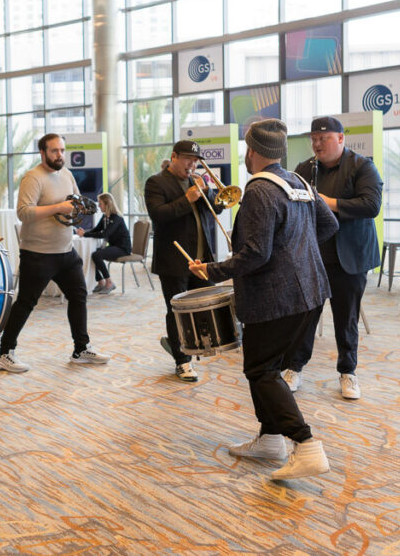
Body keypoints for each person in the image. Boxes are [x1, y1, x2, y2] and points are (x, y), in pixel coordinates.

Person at [190, 120, 338, 480]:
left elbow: (255, 255)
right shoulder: (298, 182)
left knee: (261, 371)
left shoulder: (259, 190)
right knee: (269, 368)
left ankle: (305, 445)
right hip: (312, 291)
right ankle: (271, 438)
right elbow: (329, 225)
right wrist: (296, 252)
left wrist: (211, 269)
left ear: (252, 151)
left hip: (277, 299)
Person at [0, 133, 110, 373]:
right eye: (54, 151)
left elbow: (74, 202)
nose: (60, 155)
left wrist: (76, 211)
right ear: (42, 153)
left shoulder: (66, 174)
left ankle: (80, 349)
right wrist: (57, 208)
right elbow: (23, 213)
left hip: (65, 251)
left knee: (78, 295)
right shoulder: (32, 177)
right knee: (26, 302)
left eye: (62, 150)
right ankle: (3, 353)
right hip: (38, 253)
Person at [283, 116, 382, 401]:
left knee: (346, 318)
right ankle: (294, 368)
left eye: (323, 138)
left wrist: (329, 202)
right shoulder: (304, 169)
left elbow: (371, 205)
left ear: (340, 139)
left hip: (349, 257)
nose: (316, 143)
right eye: (313, 138)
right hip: (312, 256)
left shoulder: (363, 166)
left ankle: (348, 372)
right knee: (305, 317)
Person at [145, 140, 224, 383]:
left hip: (201, 259)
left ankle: (195, 349)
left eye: (196, 160)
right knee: (176, 312)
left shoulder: (196, 180)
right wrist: (187, 199)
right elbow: (158, 215)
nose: (192, 165)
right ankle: (182, 361)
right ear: (174, 156)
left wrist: (208, 192)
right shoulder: (156, 182)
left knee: (203, 307)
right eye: (188, 159)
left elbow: (217, 210)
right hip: (174, 260)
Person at [77, 192, 131, 294]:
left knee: (97, 255)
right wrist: (84, 232)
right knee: (93, 254)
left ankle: (109, 283)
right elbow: (96, 230)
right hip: (114, 246)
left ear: (107, 204)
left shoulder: (116, 218)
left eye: (100, 203)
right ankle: (101, 282)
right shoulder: (105, 217)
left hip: (123, 249)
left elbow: (105, 234)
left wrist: (84, 235)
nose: (98, 206)